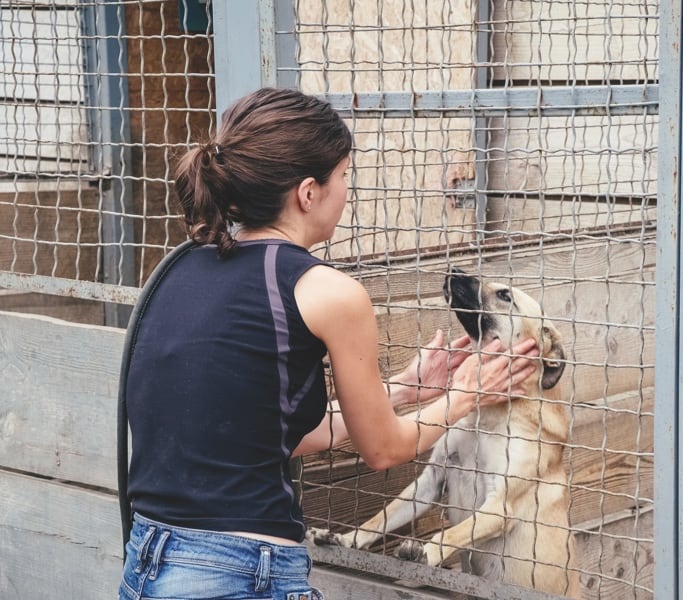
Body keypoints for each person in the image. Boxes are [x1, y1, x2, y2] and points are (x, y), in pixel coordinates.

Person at [118, 87, 539, 600]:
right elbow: (383, 450)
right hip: (240, 573)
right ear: (308, 192)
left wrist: (402, 391)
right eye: (344, 177)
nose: (347, 192)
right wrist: (469, 392)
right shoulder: (327, 291)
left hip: (151, 559)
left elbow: (275, 435)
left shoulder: (178, 269)